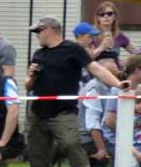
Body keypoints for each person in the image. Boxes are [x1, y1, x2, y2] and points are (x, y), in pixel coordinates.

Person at [25, 16, 128, 167]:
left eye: (38, 31)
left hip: (63, 113)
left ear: (49, 29)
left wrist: (118, 84)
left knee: (71, 144)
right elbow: (27, 85)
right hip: (37, 113)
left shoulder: (72, 49)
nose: (36, 35)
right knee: (37, 157)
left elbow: (96, 69)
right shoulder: (38, 54)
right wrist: (32, 76)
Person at [77, 59, 118, 167]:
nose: (115, 77)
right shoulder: (94, 88)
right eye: (112, 74)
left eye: (116, 74)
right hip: (88, 139)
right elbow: (92, 123)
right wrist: (101, 149)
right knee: (119, 152)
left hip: (101, 136)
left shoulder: (109, 88)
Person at [102, 54, 141, 160]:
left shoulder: (137, 91)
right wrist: (132, 149)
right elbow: (109, 122)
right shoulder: (116, 91)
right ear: (137, 70)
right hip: (116, 140)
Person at [91, 1, 138, 66]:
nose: (106, 16)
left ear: (115, 16)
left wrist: (124, 62)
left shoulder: (119, 35)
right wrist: (102, 47)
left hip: (115, 72)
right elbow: (85, 58)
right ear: (98, 18)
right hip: (96, 73)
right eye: (102, 14)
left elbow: (137, 53)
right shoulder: (92, 35)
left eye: (109, 14)